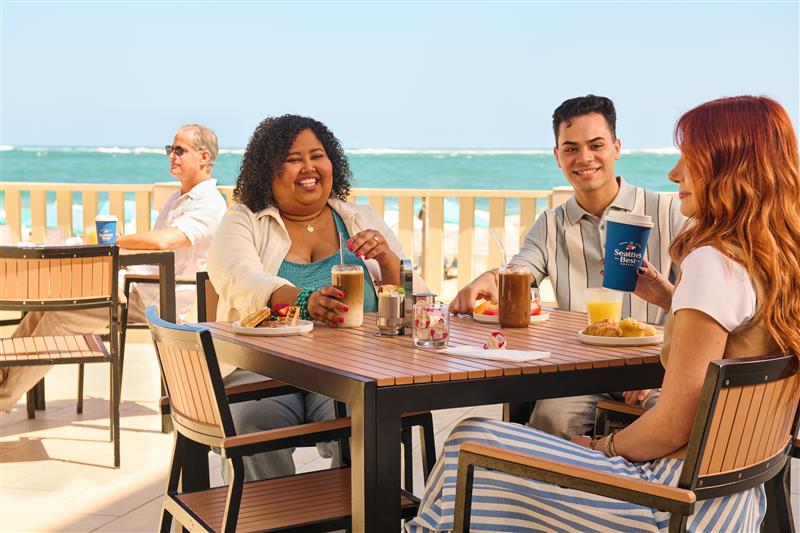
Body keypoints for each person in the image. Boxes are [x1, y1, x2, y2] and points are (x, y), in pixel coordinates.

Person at [407, 95, 800, 532]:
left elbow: (672, 426)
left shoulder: (712, 262)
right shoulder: (773, 261)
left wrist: (602, 447)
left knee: (469, 441)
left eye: (690, 160)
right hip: (732, 503)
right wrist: (672, 299)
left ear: (731, 168)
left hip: (669, 504)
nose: (674, 174)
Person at [449, 94, 685, 438]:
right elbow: (519, 272)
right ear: (557, 156)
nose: (584, 158)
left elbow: (701, 305)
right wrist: (486, 280)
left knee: (680, 422)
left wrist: (667, 372)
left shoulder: (668, 213)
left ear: (616, 148)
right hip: (581, 376)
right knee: (551, 419)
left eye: (596, 145)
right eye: (571, 148)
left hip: (658, 371)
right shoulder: (550, 224)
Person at [207, 114, 427, 481]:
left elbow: (415, 301)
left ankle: (355, 509)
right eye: (293, 159)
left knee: (367, 416)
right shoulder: (243, 220)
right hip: (265, 370)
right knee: (248, 419)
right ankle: (268, 511)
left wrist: (389, 261)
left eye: (317, 156)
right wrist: (303, 300)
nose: (309, 168)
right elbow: (239, 278)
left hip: (351, 372)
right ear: (267, 171)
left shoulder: (359, 219)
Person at [0, 123, 227, 412]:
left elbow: (165, 241)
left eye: (179, 150)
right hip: (139, 289)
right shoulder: (177, 198)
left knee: (58, 318)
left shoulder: (208, 203)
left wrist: (114, 240)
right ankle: (3, 373)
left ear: (204, 157)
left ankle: (3, 397)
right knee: (44, 308)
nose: (172, 155)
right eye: (170, 149)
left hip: (163, 301)